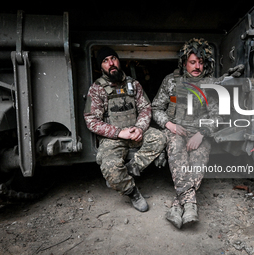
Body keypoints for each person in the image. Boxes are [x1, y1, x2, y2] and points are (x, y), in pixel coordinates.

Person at [152, 38, 243, 228]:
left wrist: (202, 133)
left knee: (197, 163)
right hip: (176, 131)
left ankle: (178, 207)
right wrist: (169, 125)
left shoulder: (209, 85)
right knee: (177, 152)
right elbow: (156, 108)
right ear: (184, 62)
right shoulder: (170, 81)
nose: (197, 67)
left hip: (199, 133)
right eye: (193, 62)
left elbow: (217, 116)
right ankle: (191, 204)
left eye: (201, 63)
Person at [84, 46, 166, 212]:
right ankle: (132, 192)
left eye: (113, 58)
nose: (111, 63)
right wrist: (118, 132)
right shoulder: (97, 89)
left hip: (135, 133)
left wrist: (139, 128)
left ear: (118, 61)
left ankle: (131, 169)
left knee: (160, 138)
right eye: (105, 61)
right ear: (101, 67)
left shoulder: (133, 84)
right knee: (110, 168)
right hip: (113, 139)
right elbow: (91, 120)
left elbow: (145, 108)